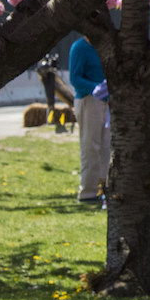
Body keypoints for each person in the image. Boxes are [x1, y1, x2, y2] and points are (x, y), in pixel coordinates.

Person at [68, 35, 110, 204]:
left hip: (107, 100)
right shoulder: (80, 47)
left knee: (106, 146)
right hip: (88, 99)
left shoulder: (105, 44)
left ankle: (104, 187)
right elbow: (75, 78)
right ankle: (88, 192)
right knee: (90, 146)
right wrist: (96, 88)